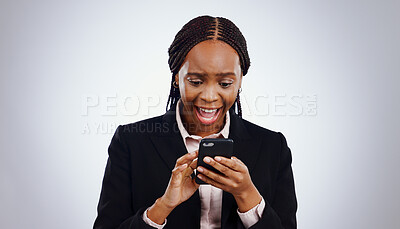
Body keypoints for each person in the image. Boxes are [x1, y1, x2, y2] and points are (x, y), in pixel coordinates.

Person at [93, 15, 297, 229]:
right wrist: (162, 207)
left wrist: (247, 195)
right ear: (176, 77)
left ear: (240, 80)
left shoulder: (273, 147)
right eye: (196, 81)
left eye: (225, 83)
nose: (209, 96)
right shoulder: (130, 142)